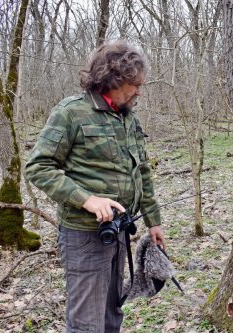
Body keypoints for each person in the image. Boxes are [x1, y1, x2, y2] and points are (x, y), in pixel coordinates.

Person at [25, 40, 165, 333]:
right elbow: (38, 168)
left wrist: (154, 222)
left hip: (118, 230)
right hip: (84, 236)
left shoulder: (128, 117)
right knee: (87, 322)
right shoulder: (71, 113)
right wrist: (87, 199)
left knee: (111, 314)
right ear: (111, 79)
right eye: (133, 83)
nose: (138, 90)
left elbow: (142, 170)